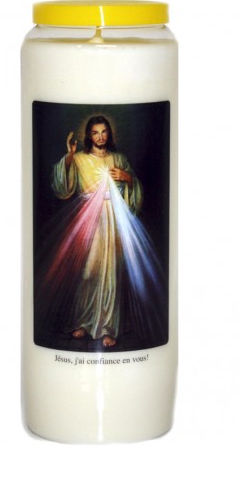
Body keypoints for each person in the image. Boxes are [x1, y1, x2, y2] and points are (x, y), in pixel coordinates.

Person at [51, 116, 143, 347]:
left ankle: (108, 327)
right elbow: (62, 186)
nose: (100, 137)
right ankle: (84, 321)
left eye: (104, 132)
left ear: (109, 133)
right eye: (95, 132)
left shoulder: (119, 158)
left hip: (114, 219)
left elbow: (135, 190)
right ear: (89, 136)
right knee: (88, 272)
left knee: (111, 272)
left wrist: (128, 178)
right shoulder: (80, 158)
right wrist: (70, 155)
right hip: (89, 219)